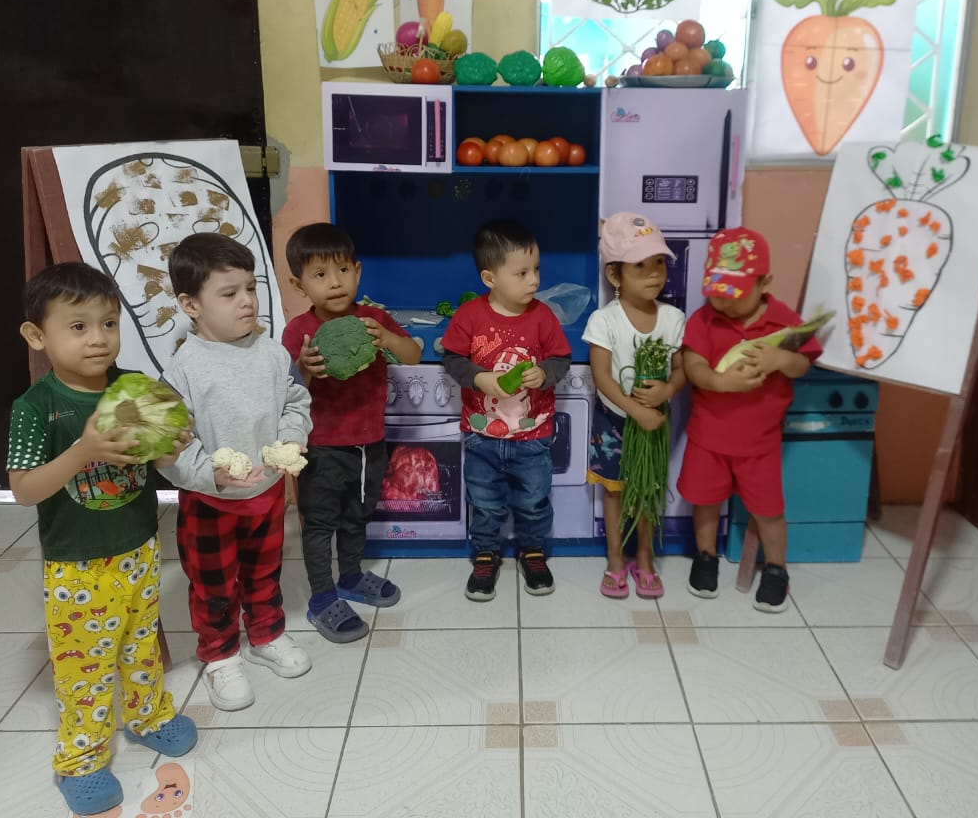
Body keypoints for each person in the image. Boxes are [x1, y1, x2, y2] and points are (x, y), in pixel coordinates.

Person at [7, 263, 196, 816]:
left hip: (139, 545)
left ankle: (147, 715)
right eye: (78, 326)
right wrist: (83, 451)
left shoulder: (131, 386)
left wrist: (171, 444)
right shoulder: (36, 407)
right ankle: (81, 759)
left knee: (141, 644)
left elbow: (158, 462)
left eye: (108, 323)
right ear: (37, 335)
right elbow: (24, 490)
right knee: (84, 668)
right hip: (78, 566)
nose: (98, 338)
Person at [158, 232, 314, 712]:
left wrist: (292, 438)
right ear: (191, 304)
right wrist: (210, 474)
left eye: (251, 288)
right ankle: (220, 655)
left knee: (264, 572)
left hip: (267, 493)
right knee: (214, 586)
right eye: (229, 294)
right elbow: (169, 446)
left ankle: (266, 635)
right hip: (211, 503)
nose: (247, 301)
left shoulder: (272, 353)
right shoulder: (183, 370)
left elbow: (296, 402)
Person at [281, 222, 421, 643]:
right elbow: (286, 391)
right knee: (320, 524)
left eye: (343, 270)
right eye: (320, 274)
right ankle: (322, 598)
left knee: (358, 515)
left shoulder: (374, 319)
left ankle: (352, 576)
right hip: (320, 448)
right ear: (299, 284)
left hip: (370, 443)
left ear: (357, 271)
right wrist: (304, 367)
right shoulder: (298, 332)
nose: (335, 282)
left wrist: (390, 339)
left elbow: (413, 356)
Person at [679, 227, 821, 612]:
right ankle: (705, 557)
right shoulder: (704, 319)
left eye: (735, 293)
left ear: (764, 283)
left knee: (769, 510)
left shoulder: (782, 321)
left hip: (760, 442)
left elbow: (802, 364)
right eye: (717, 292)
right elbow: (693, 365)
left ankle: (776, 569)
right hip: (708, 436)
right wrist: (720, 382)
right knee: (705, 502)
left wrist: (781, 359)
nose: (724, 301)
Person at [441, 219, 572, 601]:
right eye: (522, 273)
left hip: (533, 436)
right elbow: (452, 359)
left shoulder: (543, 317)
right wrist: (479, 378)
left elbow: (561, 359)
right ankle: (485, 554)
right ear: (490, 278)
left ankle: (533, 552)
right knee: (484, 501)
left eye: (536, 270)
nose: (534, 280)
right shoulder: (469, 316)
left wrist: (544, 374)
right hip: (481, 435)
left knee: (533, 500)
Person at [583, 212, 686, 599]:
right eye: (640, 265)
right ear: (615, 275)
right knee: (615, 493)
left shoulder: (673, 319)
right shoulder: (604, 320)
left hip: (654, 421)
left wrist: (666, 391)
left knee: (647, 490)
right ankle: (615, 559)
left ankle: (644, 557)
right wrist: (636, 409)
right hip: (613, 423)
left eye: (659, 262)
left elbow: (681, 369)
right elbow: (602, 378)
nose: (654, 273)